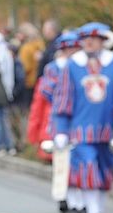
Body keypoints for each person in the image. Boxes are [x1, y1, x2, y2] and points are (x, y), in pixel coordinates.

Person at [52, 22, 113, 213]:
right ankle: (93, 210)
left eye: (94, 39)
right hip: (81, 128)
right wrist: (61, 130)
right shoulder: (72, 66)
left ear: (103, 41)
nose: (89, 43)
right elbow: (63, 99)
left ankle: (98, 208)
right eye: (85, 39)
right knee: (87, 164)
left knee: (104, 167)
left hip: (108, 128)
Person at [28, 31, 79, 166]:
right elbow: (38, 106)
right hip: (52, 125)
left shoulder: (84, 70)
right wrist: (34, 134)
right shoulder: (52, 71)